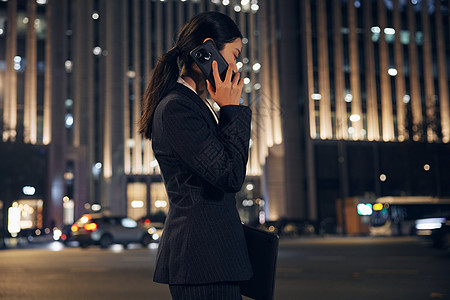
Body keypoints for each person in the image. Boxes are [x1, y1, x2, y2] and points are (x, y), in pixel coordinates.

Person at [138, 12, 253, 300]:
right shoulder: (178, 108)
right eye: (234, 54)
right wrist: (231, 109)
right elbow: (229, 175)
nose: (236, 65)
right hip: (202, 260)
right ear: (208, 49)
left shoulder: (193, 104)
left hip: (211, 260)